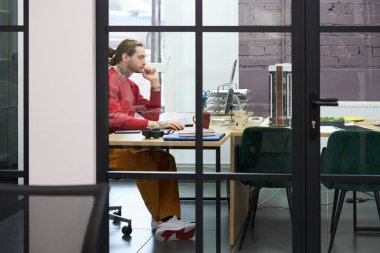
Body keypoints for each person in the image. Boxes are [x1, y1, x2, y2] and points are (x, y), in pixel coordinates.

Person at [108, 39, 196, 242]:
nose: (144, 62)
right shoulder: (108, 79)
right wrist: (151, 125)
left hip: (118, 144)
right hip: (101, 148)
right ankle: (162, 220)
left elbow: (152, 115)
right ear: (125, 57)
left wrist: (155, 84)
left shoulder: (129, 84)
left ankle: (165, 219)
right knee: (146, 163)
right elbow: (112, 116)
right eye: (140, 57)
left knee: (165, 159)